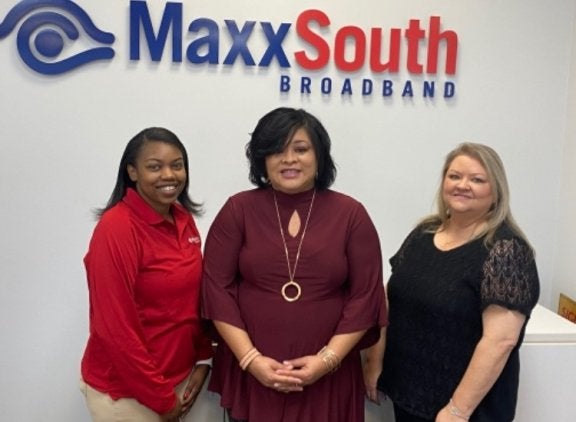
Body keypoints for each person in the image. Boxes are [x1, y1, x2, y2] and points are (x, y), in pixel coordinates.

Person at [201, 107, 387, 422]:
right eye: (277, 150)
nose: (289, 159)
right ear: (262, 159)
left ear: (319, 156)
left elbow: (366, 296)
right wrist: (251, 359)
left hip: (328, 377)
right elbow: (216, 288)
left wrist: (326, 360)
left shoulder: (351, 214)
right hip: (252, 373)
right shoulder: (237, 210)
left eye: (300, 149)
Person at [364, 142, 540, 422]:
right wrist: (375, 362)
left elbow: (501, 341)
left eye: (477, 179)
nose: (462, 185)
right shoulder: (424, 232)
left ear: (496, 191)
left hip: (464, 409)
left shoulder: (505, 250)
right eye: (454, 176)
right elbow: (390, 298)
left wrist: (457, 410)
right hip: (409, 393)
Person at [80, 127, 213, 422]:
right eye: (155, 167)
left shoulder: (183, 219)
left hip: (177, 382)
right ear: (133, 172)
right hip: (129, 395)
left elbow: (194, 298)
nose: (169, 175)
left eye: (177, 165)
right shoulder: (117, 228)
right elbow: (115, 327)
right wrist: (160, 398)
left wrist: (204, 358)